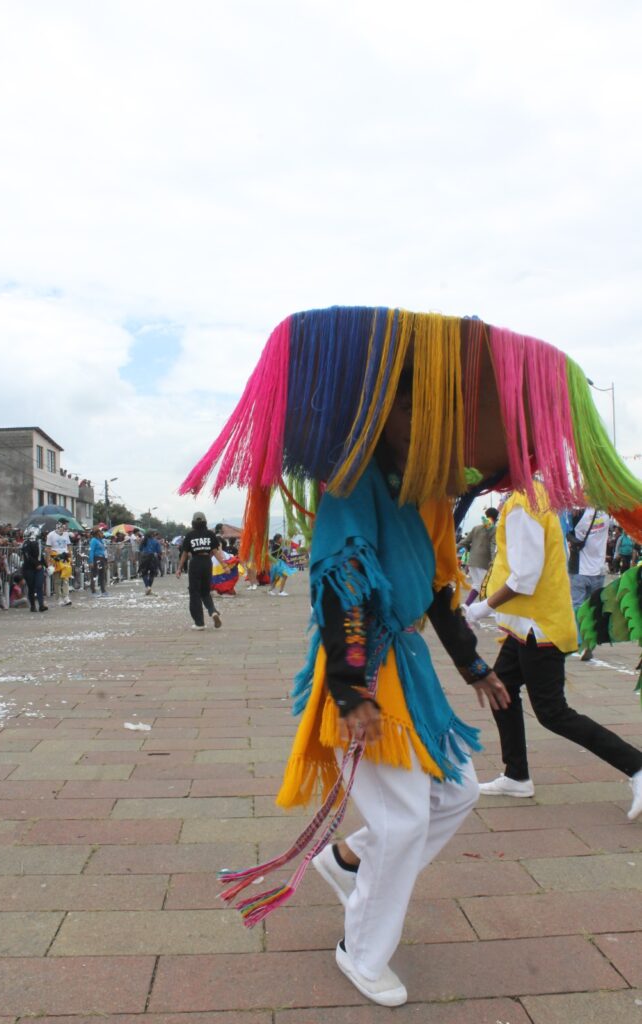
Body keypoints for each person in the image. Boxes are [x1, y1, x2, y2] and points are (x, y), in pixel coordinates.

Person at [179, 306, 642, 1008]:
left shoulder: (424, 491)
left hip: (409, 669)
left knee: (455, 794)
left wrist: (475, 667)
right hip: (365, 670)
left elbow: (437, 589)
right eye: (408, 408)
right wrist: (350, 689)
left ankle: (348, 861)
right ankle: (361, 949)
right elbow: (341, 580)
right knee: (403, 822)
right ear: (378, 412)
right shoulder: (351, 480)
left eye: (431, 412)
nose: (423, 424)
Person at [466, 483, 642, 820]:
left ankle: (637, 766)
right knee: (501, 688)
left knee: (553, 713)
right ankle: (516, 775)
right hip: (526, 625)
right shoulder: (534, 495)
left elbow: (524, 577)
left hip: (539, 627)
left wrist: (479, 609)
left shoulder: (524, 503)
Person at [565, 507, 610, 661]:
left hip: (579, 570)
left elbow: (565, 530)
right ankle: (589, 642)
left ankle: (580, 640)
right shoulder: (607, 512)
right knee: (593, 608)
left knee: (577, 606)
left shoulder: (577, 513)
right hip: (598, 570)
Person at [176, 512, 226, 629]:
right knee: (205, 591)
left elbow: (184, 553)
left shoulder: (190, 535)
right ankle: (212, 611)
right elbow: (215, 551)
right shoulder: (210, 534)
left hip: (195, 563)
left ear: (193, 522)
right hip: (207, 563)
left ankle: (199, 623)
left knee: (195, 593)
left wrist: (179, 568)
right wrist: (224, 566)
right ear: (205, 522)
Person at [459, 507, 498, 605]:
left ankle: (469, 605)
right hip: (483, 562)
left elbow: (465, 541)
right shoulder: (494, 529)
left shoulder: (476, 528)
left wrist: (453, 548)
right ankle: (473, 606)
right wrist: (493, 561)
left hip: (472, 561)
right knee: (484, 586)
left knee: (478, 585)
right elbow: (493, 546)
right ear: (496, 518)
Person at [45, 517, 73, 607]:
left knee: (65, 578)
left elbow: (69, 546)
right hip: (55, 558)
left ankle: (66, 597)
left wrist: (71, 557)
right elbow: (48, 549)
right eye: (65, 524)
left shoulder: (66, 534)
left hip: (65, 558)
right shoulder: (51, 535)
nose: (67, 526)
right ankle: (59, 598)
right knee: (57, 579)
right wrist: (49, 562)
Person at [21, 525, 48, 612]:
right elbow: (27, 556)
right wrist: (36, 564)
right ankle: (32, 605)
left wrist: (46, 566)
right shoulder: (25, 543)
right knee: (31, 587)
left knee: (39, 585)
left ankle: (41, 605)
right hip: (29, 568)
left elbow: (41, 556)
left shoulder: (39, 543)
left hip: (39, 568)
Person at [139, 530, 162, 595]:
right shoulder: (156, 541)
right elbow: (159, 551)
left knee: (144, 573)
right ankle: (149, 587)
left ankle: (147, 587)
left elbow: (140, 549)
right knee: (152, 573)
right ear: (152, 535)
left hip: (144, 557)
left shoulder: (143, 541)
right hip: (153, 557)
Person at [88, 526, 108, 596]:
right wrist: (91, 561)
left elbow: (104, 550)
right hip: (96, 558)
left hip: (102, 558)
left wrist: (105, 559)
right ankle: (93, 591)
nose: (102, 533)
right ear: (97, 533)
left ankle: (103, 590)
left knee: (102, 575)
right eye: (100, 532)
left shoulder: (100, 540)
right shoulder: (93, 540)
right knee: (94, 575)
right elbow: (91, 551)